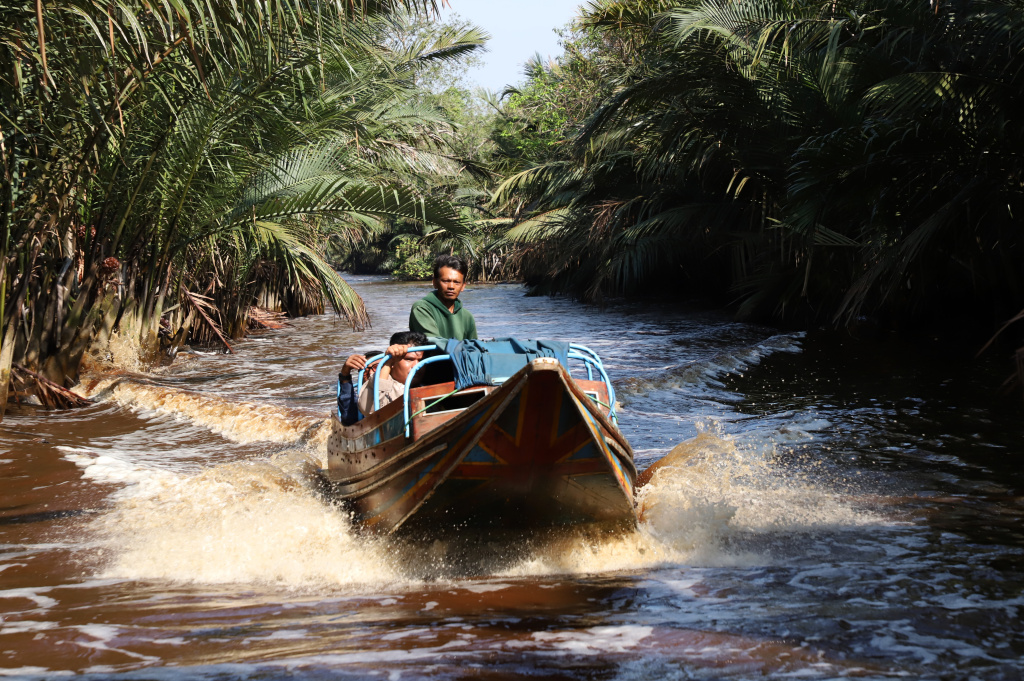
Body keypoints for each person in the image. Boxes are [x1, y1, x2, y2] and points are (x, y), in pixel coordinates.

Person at [357, 330, 428, 415]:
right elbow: (370, 411)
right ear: (394, 361)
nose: (417, 366)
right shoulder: (376, 382)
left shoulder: (428, 382)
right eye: (409, 359)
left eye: (421, 361)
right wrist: (388, 362)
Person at [409, 254, 478, 340]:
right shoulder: (421, 309)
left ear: (463, 286)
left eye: (457, 282)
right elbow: (435, 342)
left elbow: (474, 348)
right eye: (446, 281)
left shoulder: (467, 317)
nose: (451, 286)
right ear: (435, 283)